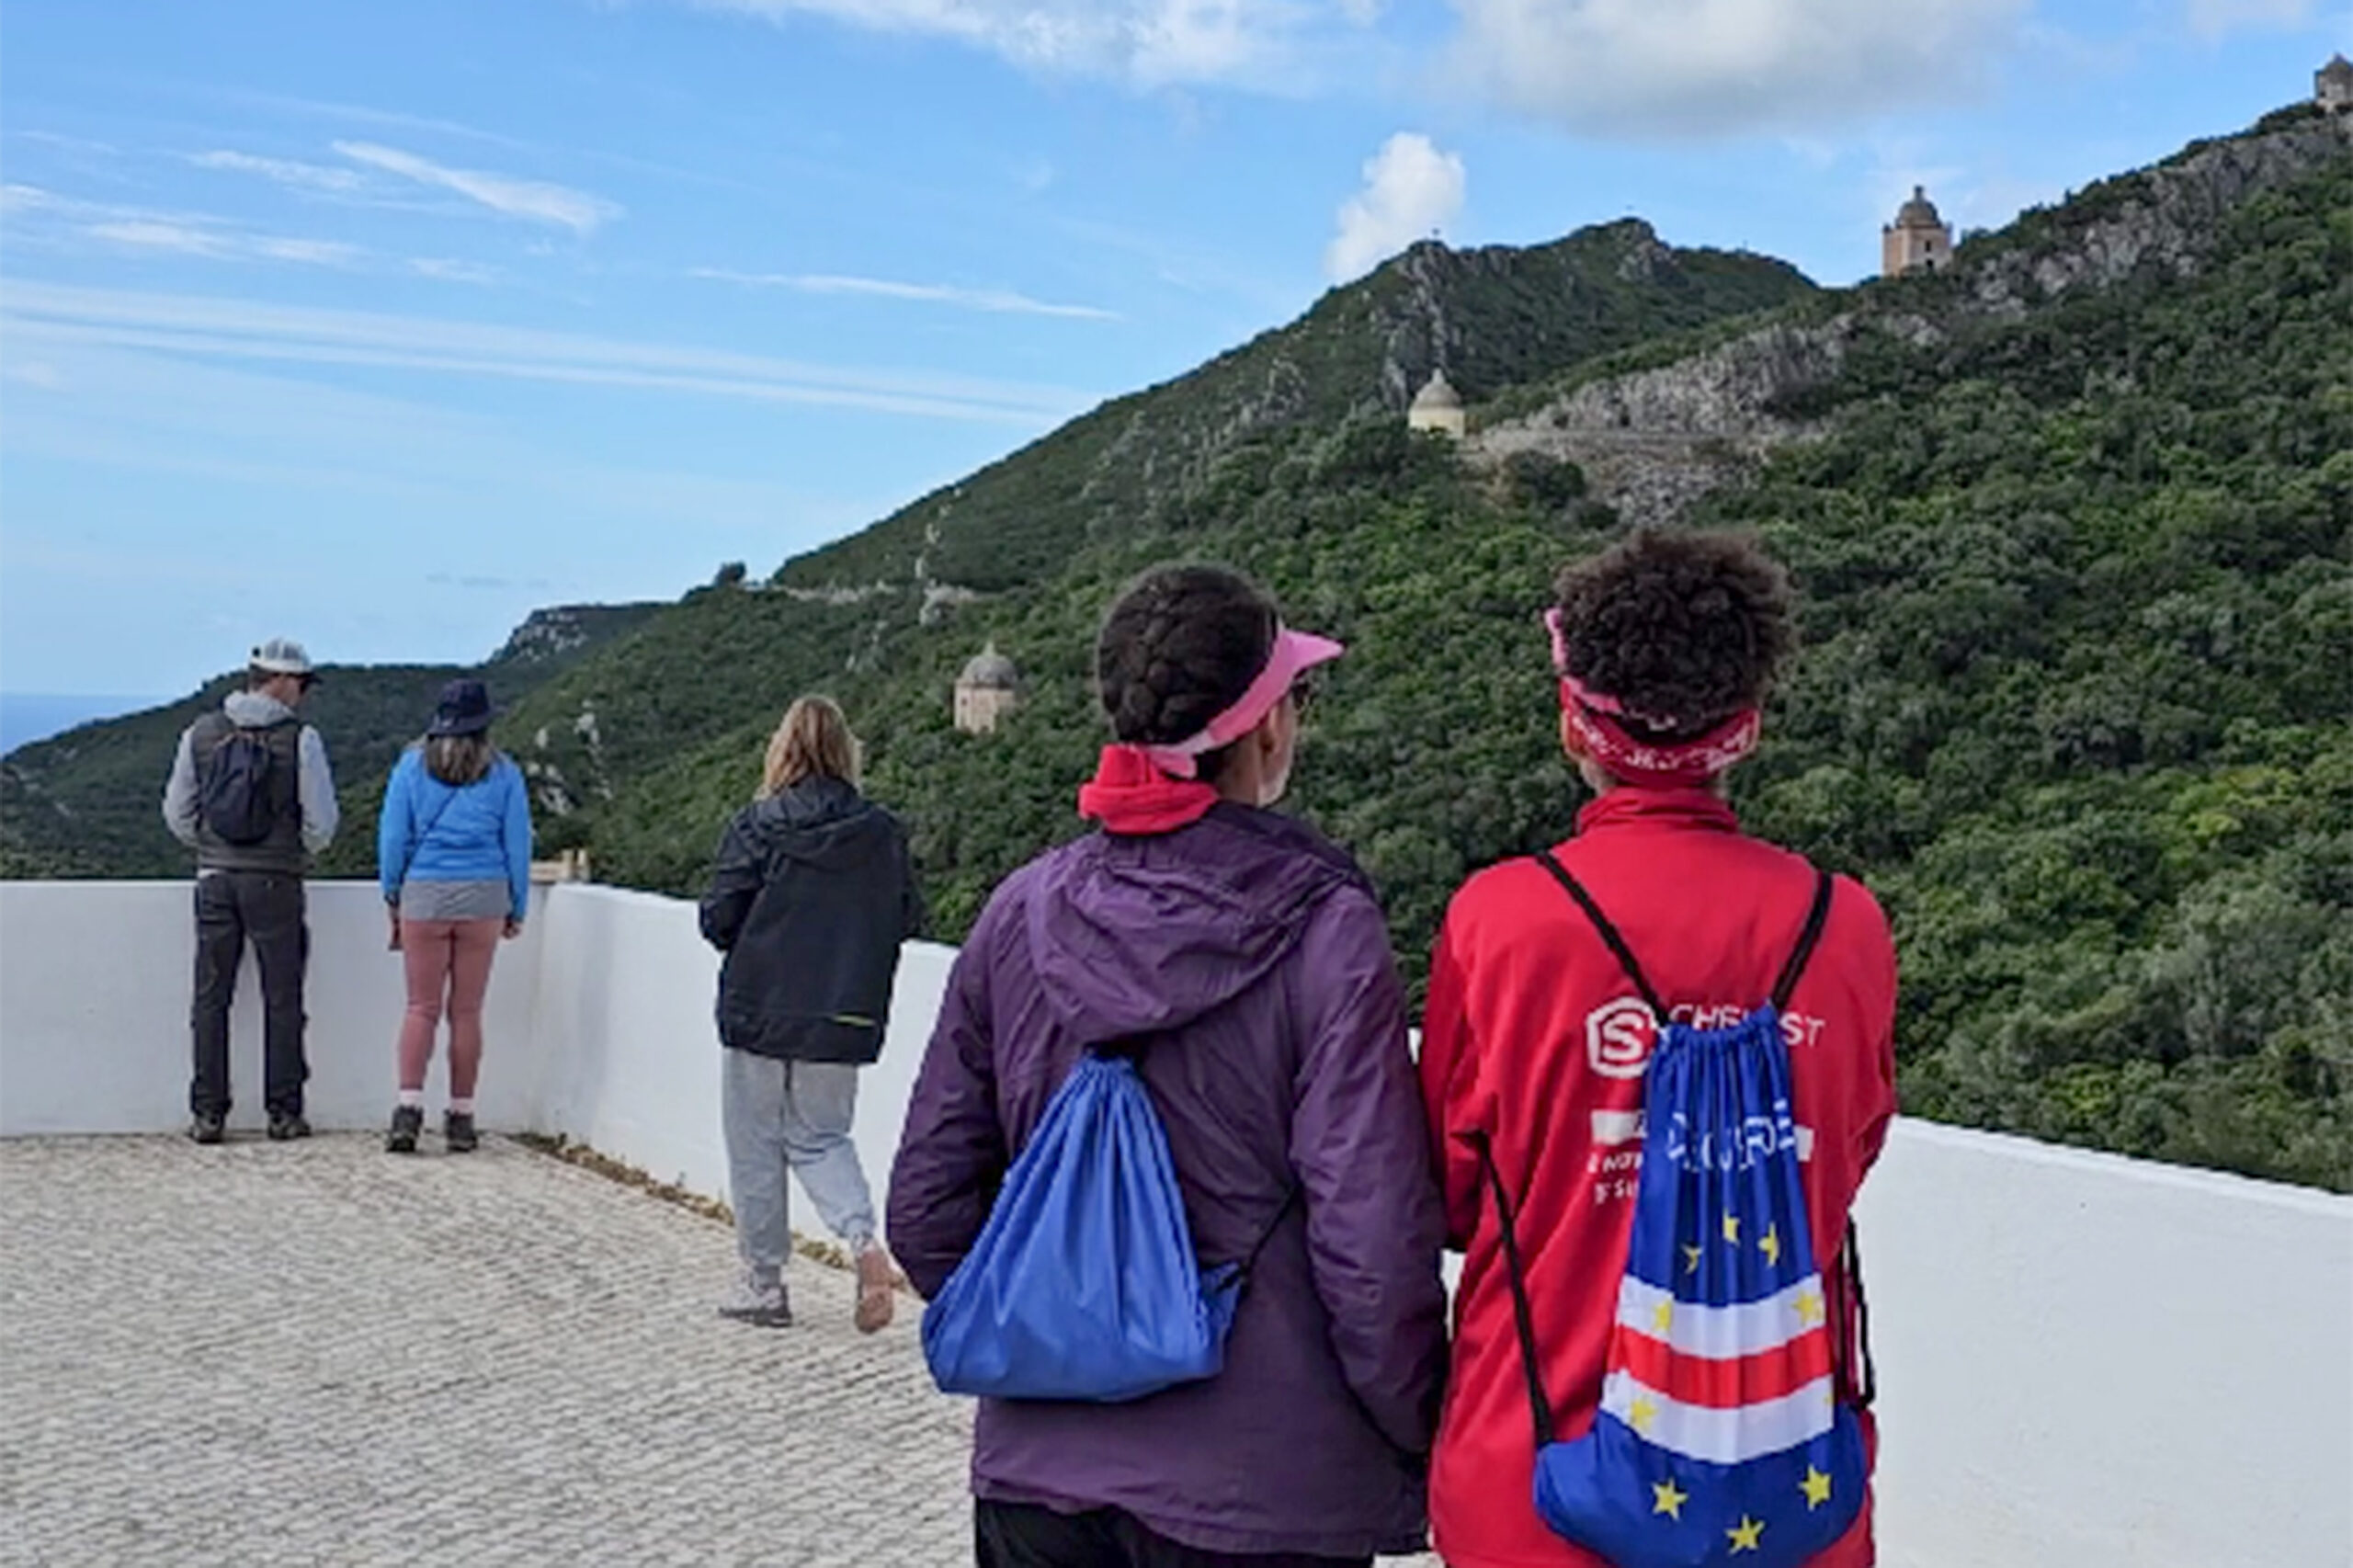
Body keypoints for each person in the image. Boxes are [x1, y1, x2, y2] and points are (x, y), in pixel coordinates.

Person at [889, 565, 1449, 1568]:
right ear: (1266, 726)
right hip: (1266, 1486)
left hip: (1037, 1486)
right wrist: (1418, 1426)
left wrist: (1052, 1338)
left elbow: (927, 1208)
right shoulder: (1326, 927)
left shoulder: (1018, 910)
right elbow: (1369, 1239)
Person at [1418, 529, 1899, 1568]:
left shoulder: (1498, 921)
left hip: (1538, 1469)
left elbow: (1453, 1191)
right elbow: (1848, 1154)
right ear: (1747, 728)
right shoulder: (1844, 924)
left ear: (1574, 721)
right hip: (1785, 1486)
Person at [699, 697, 922, 1334]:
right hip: (843, 1015)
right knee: (822, 1136)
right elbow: (906, 917)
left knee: (756, 1145)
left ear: (783, 750)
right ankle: (862, 1242)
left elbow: (720, 918)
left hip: (759, 1008)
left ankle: (763, 1285)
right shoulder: (881, 833)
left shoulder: (758, 825)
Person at [164, 638, 339, 1144]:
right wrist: (293, 854)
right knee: (282, 998)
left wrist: (212, 849)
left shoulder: (200, 733)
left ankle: (208, 1114)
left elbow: (177, 813)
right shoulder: (301, 739)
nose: (303, 695)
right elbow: (321, 822)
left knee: (210, 997)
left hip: (214, 880)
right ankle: (283, 1113)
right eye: (302, 684)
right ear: (281, 682)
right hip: (276, 882)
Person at [376, 679, 534, 1155]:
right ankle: (462, 1117)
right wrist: (517, 905)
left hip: (422, 894)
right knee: (466, 1011)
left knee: (420, 1007)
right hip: (485, 896)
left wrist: (393, 896)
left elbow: (392, 838)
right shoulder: (504, 774)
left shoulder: (410, 768)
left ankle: (407, 1110)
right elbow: (519, 843)